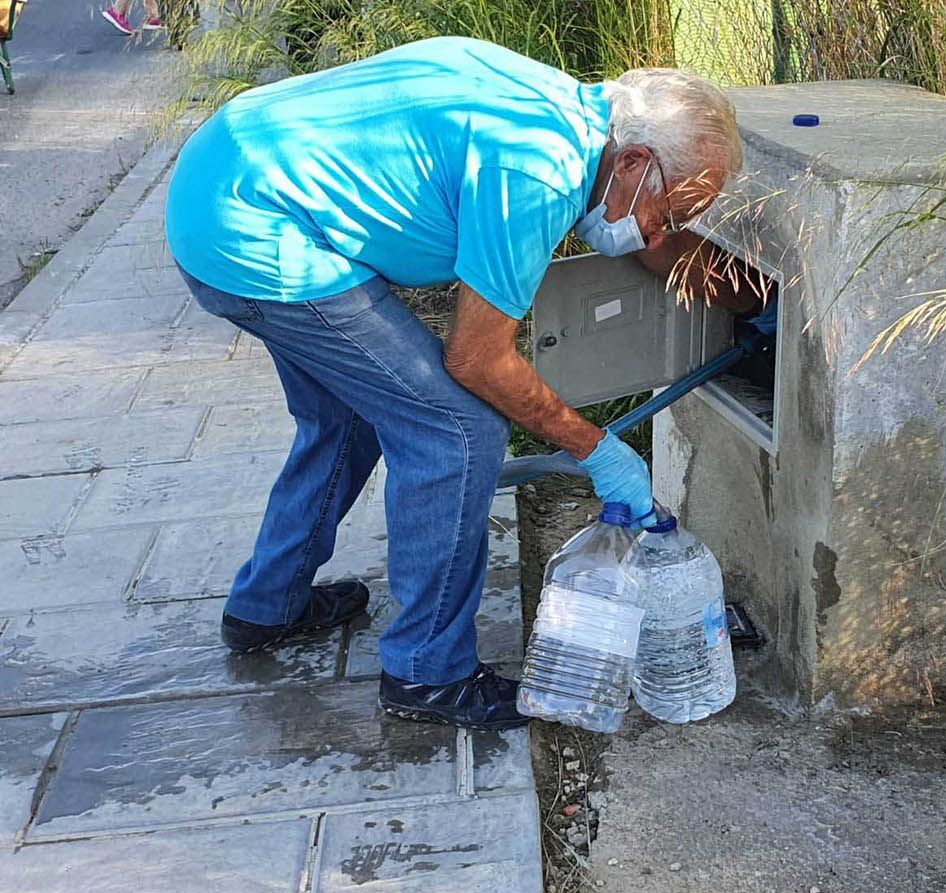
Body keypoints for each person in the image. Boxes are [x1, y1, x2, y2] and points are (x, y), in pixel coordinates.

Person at [165, 36, 764, 732]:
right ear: (633, 163)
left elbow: (654, 238)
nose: (661, 230)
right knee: (456, 429)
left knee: (347, 415)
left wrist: (752, 302)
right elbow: (478, 360)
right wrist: (595, 448)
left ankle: (267, 606)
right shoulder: (538, 172)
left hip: (220, 183)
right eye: (671, 212)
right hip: (257, 231)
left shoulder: (574, 114)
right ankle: (427, 673)